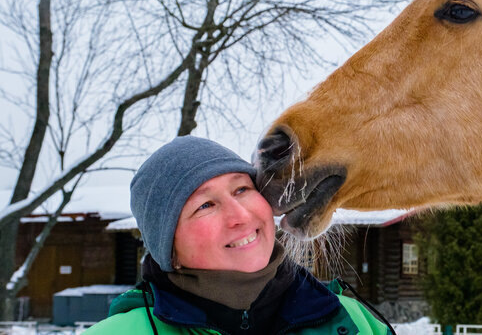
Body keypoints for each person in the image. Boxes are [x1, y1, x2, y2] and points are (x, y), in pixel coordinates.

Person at [85, 136, 393, 335]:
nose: (241, 216)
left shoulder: (354, 321)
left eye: (242, 189)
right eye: (206, 205)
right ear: (169, 249)